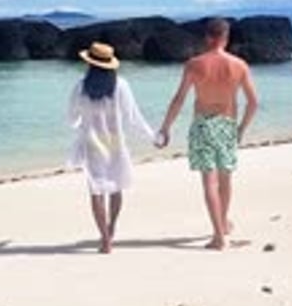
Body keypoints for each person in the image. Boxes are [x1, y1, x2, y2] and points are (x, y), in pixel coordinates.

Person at [157, 18, 258, 250]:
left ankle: (219, 236)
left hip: (203, 125)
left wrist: (166, 127)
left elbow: (179, 99)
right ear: (225, 38)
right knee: (225, 180)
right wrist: (241, 129)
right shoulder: (239, 65)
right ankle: (222, 225)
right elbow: (253, 103)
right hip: (227, 124)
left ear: (207, 37)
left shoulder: (194, 64)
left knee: (209, 182)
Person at [68, 41, 154, 253]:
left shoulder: (81, 87)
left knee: (96, 190)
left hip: (92, 143)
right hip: (115, 142)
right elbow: (133, 117)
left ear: (90, 63)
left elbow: (72, 118)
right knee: (116, 187)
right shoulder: (121, 85)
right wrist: (154, 137)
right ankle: (112, 227)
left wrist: (81, 123)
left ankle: (105, 239)